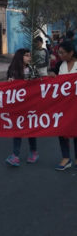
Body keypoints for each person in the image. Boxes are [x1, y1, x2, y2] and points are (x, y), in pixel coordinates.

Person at [5, 48, 40, 167]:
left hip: (31, 104)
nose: (29, 57)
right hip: (18, 105)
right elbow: (8, 86)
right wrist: (10, 82)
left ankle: (33, 152)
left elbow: (38, 84)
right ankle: (15, 155)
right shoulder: (12, 69)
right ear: (20, 57)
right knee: (18, 129)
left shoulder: (32, 68)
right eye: (26, 55)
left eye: (29, 55)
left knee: (30, 129)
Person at [54, 41, 77, 171]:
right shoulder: (59, 65)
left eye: (62, 53)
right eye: (59, 52)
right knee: (62, 131)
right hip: (62, 105)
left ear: (71, 53)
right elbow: (52, 82)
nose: (59, 55)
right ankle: (66, 158)